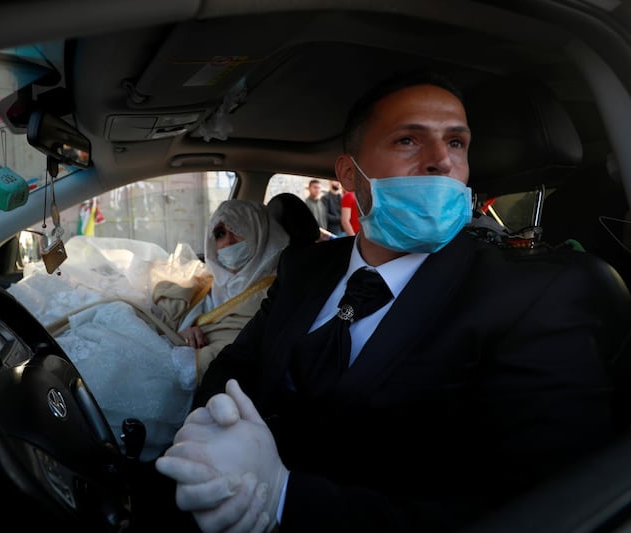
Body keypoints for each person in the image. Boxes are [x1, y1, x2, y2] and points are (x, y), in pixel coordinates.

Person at [154, 70, 616, 532]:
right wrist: (213, 431)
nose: (441, 160)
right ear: (350, 173)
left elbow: (543, 509)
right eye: (408, 141)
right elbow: (239, 362)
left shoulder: (533, 298)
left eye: (456, 143)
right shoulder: (304, 268)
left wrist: (282, 498)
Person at [153, 198, 290, 383]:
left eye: (238, 231)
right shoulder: (206, 283)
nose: (227, 242)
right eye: (219, 234)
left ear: (259, 233)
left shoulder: (274, 295)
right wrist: (182, 336)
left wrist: (180, 346)